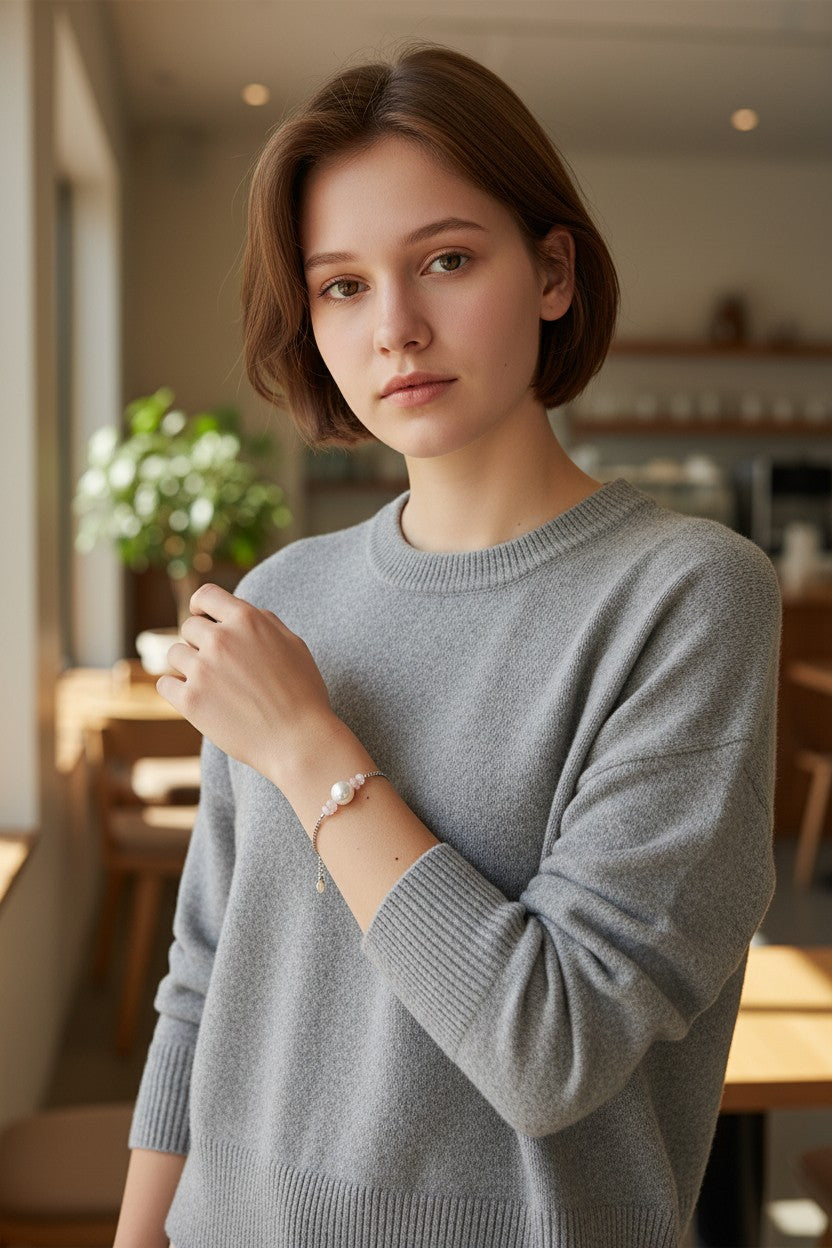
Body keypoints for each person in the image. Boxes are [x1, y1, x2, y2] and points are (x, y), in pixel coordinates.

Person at [114, 42, 781, 1248]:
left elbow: (553, 1050)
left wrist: (309, 745)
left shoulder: (686, 597)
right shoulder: (284, 595)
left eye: (448, 260)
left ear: (552, 273)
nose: (397, 328)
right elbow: (208, 972)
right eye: (341, 287)